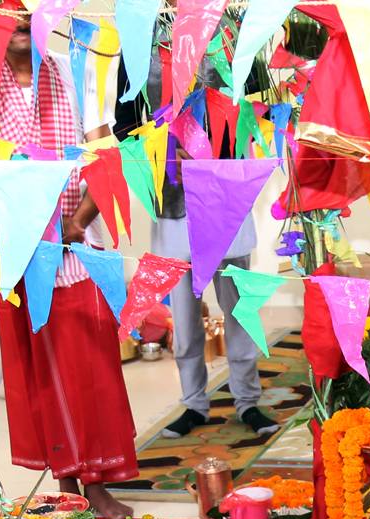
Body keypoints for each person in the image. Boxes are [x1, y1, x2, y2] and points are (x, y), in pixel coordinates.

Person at [0, 3, 137, 519]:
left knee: (94, 370)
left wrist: (77, 219)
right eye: (5, 11)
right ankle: (67, 484)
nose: (17, 20)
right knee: (44, 375)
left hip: (79, 249)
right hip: (18, 256)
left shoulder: (75, 70)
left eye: (27, 11)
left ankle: (99, 483)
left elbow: (105, 157)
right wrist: (19, 221)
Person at [151, 58, 276, 442]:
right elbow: (126, 125)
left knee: (238, 305)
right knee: (185, 315)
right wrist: (165, 150)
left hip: (226, 193)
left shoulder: (234, 42)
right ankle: (193, 403)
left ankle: (247, 400)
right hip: (173, 200)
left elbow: (264, 110)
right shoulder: (145, 48)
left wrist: (221, 151)